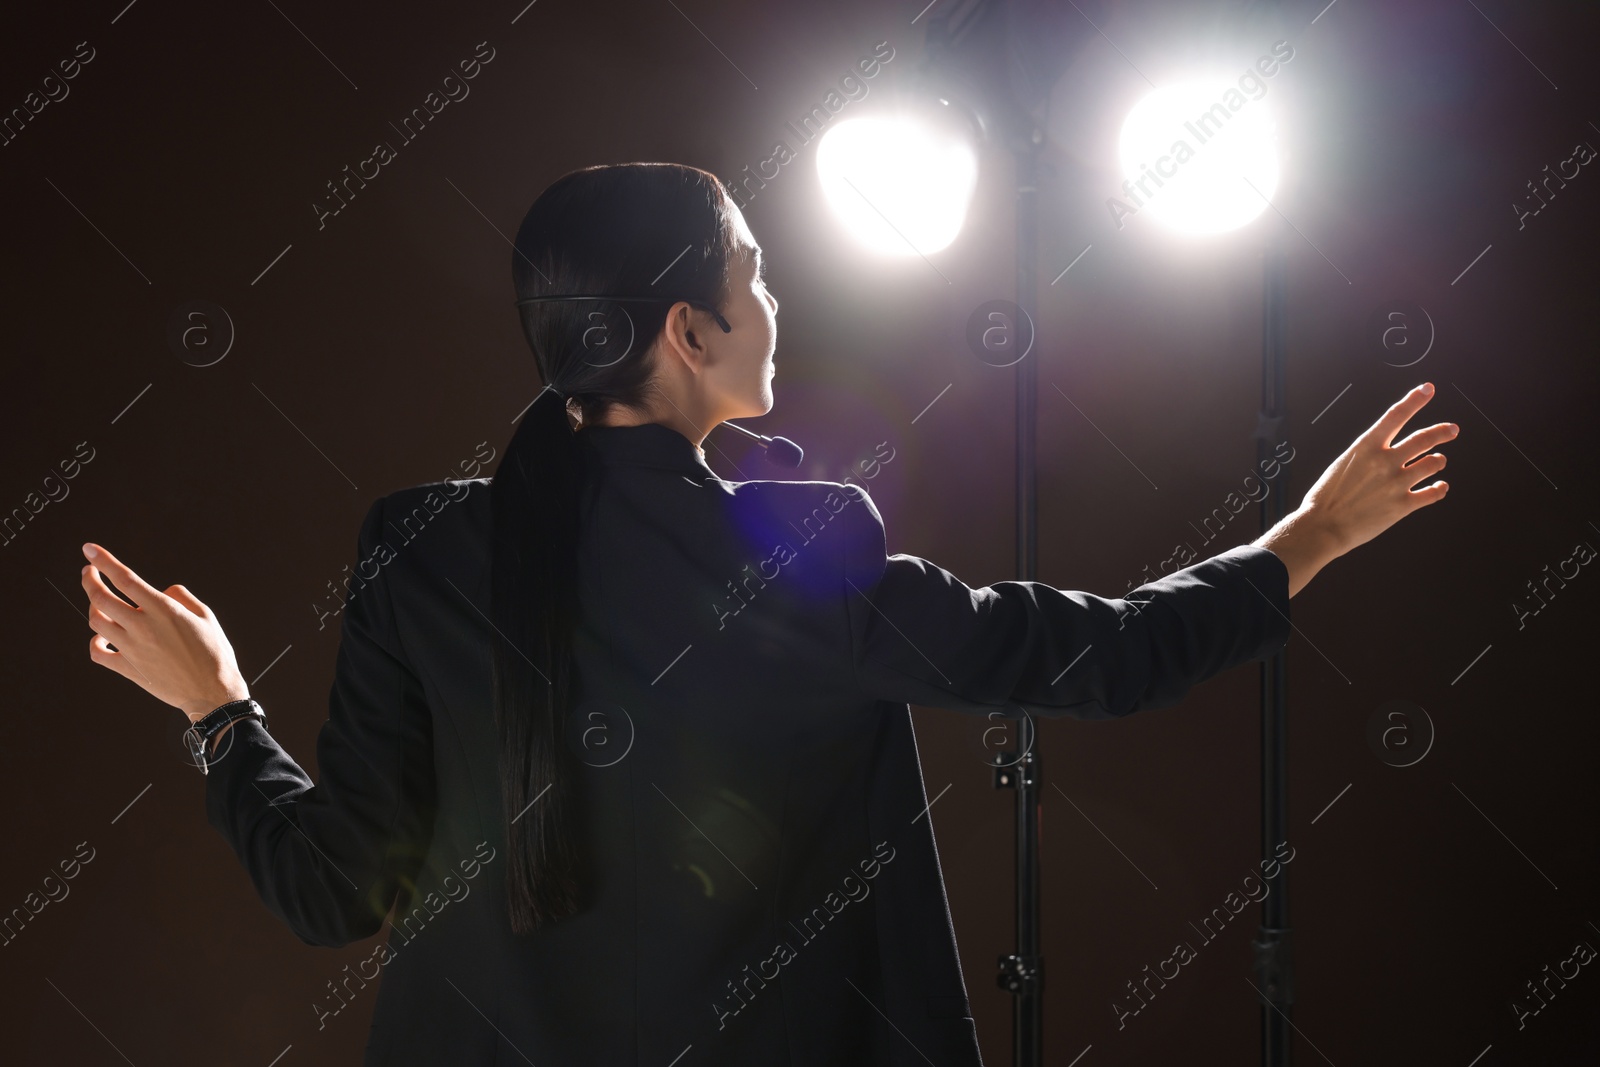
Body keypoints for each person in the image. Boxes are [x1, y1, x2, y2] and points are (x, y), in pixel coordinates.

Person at [77, 162, 1457, 1066]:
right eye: (756, 278)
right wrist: (1315, 531)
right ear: (689, 330)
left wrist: (217, 707)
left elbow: (331, 892)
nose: (776, 305)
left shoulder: (419, 548)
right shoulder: (800, 552)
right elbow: (1101, 658)